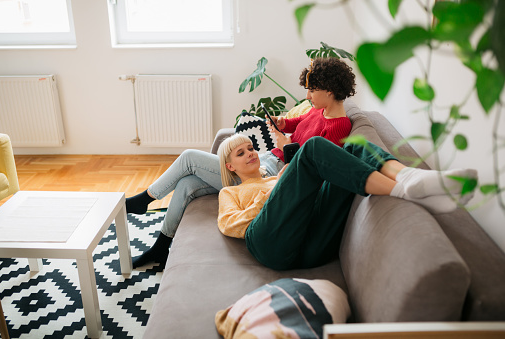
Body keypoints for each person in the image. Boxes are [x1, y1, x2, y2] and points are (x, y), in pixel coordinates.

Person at [127, 57, 356, 268]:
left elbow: (313, 170)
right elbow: (297, 122)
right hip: (268, 158)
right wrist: (281, 123)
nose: (307, 96)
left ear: (329, 90)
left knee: (189, 157)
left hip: (272, 173)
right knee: (187, 183)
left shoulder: (340, 126)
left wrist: (287, 146)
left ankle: (144, 199)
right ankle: (160, 248)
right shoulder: (319, 110)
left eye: (312, 91)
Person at [217, 133, 477, 270]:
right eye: (241, 153)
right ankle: (406, 191)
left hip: (311, 248)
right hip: (270, 245)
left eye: (251, 148)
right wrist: (270, 197)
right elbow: (230, 224)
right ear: (230, 166)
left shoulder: (275, 177)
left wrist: (285, 181)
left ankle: (409, 179)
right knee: (313, 147)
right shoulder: (230, 192)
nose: (250, 153)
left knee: (354, 146)